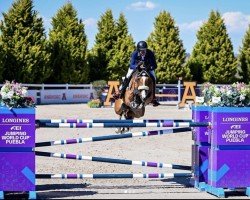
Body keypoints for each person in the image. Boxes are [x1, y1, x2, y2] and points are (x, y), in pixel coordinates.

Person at [113, 41, 160, 107]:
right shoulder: (134, 54)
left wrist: (150, 67)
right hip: (136, 68)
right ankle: (121, 91)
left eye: (144, 50)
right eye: (141, 50)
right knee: (128, 75)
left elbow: (155, 65)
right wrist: (137, 66)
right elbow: (131, 65)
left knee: (154, 78)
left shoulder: (150, 53)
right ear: (138, 50)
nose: (143, 52)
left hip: (147, 69)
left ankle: (153, 97)